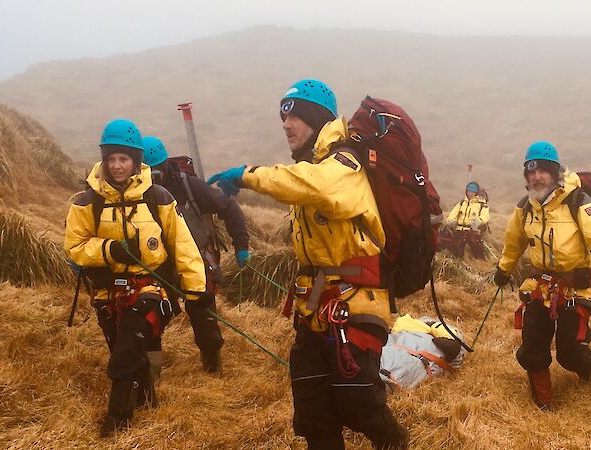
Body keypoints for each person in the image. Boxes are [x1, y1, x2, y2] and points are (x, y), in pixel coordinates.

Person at [208, 79, 409, 450]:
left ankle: (394, 441)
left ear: (317, 119)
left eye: (295, 116)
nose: (286, 125)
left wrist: (245, 175)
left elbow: (314, 187)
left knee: (358, 401)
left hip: (356, 304)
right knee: (312, 409)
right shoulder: (312, 168)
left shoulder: (343, 165)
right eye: (283, 117)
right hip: (314, 306)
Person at [64, 119, 208, 437]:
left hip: (153, 288)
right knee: (125, 348)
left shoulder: (158, 198)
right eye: (112, 159)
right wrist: (110, 250)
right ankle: (147, 401)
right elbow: (74, 248)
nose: (117, 166)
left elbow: (182, 244)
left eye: (124, 159)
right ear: (104, 159)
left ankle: (117, 420)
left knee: (127, 348)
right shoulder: (87, 202)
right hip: (107, 292)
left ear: (136, 161)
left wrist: (196, 289)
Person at [493, 141, 591, 411]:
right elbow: (514, 242)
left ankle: (586, 371)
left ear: (554, 172)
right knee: (532, 345)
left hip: (575, 290)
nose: (535, 177)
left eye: (542, 170)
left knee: (569, 352)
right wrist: (503, 269)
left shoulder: (578, 202)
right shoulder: (524, 208)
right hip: (539, 288)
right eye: (530, 172)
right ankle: (543, 401)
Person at [142, 135, 250, 374]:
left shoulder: (189, 186)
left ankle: (213, 368)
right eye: (145, 173)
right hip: (157, 267)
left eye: (156, 173)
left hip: (197, 263)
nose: (151, 180)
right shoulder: (134, 192)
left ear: (165, 166)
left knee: (204, 318)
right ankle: (151, 375)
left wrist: (241, 246)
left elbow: (229, 208)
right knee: (150, 318)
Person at [443, 181, 489, 259]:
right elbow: (453, 214)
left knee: (478, 250)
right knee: (454, 250)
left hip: (472, 231)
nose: (470, 193)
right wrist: (451, 221)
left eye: (472, 191)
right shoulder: (461, 203)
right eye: (468, 191)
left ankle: (480, 263)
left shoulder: (482, 204)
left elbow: (485, 216)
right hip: (459, 230)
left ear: (476, 193)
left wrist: (478, 221)